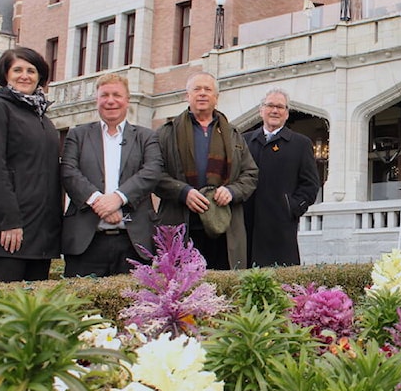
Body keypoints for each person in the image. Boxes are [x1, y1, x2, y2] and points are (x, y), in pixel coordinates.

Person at [0, 47, 61, 283]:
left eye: (31, 70)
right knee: (3, 315)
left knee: (32, 317)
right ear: (5, 74)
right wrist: (10, 222)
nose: (25, 75)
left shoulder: (43, 119)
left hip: (39, 240)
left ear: (40, 76)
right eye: (17, 70)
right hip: (6, 236)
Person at [60, 73, 163, 277]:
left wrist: (117, 199)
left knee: (132, 307)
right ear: (96, 100)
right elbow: (69, 172)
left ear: (127, 100)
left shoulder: (146, 137)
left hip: (133, 242)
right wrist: (99, 202)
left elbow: (152, 171)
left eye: (117, 94)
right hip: (86, 242)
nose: (110, 101)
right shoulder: (77, 135)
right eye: (104, 95)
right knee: (83, 307)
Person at [155, 72, 258, 269]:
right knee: (179, 290)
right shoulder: (166, 133)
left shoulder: (234, 134)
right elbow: (153, 174)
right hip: (181, 224)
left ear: (216, 98)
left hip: (224, 227)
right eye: (197, 89)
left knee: (224, 289)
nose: (202, 94)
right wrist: (183, 192)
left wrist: (232, 191)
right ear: (187, 96)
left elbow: (251, 174)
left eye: (208, 89)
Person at [243, 88, 320, 266]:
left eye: (280, 107)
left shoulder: (300, 144)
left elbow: (310, 185)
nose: (275, 111)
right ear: (261, 110)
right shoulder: (244, 141)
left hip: (281, 229)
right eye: (270, 105)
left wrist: (291, 208)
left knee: (282, 284)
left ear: (287, 114)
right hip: (247, 226)